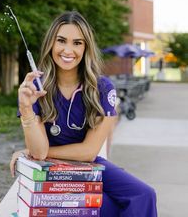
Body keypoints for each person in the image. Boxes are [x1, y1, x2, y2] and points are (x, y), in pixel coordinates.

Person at [10, 11, 157, 216]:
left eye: (77, 43)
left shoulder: (102, 88)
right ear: (51, 44)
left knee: (143, 195)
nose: (68, 50)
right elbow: (39, 150)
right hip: (49, 171)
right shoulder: (35, 88)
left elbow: (88, 152)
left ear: (86, 47)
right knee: (104, 204)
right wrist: (26, 110)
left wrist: (30, 153)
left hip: (87, 165)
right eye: (61, 41)